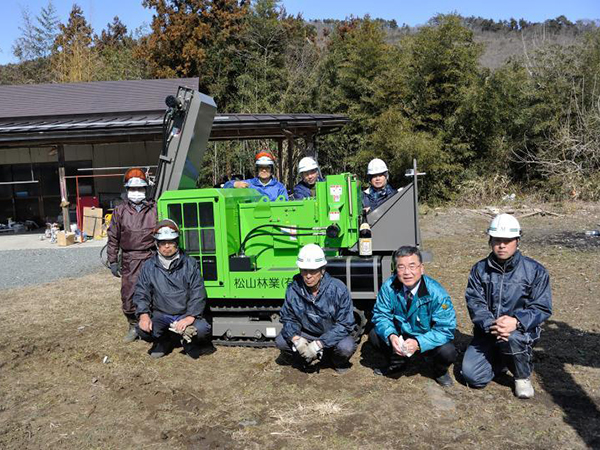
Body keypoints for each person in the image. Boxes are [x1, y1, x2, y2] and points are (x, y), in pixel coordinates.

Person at [462, 214, 552, 399]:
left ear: (517, 241)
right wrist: (491, 325)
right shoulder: (479, 269)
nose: (502, 245)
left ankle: (522, 376)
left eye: (507, 241)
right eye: (497, 240)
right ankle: (502, 359)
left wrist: (516, 322)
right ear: (490, 241)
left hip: (519, 332)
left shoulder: (535, 271)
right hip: (488, 332)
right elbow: (474, 301)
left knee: (511, 339)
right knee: (472, 377)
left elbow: (542, 307)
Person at [369, 245, 457, 386]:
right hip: (400, 335)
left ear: (421, 268)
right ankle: (398, 362)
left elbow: (445, 328)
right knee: (375, 335)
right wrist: (391, 336)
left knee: (448, 351)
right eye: (401, 267)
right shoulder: (388, 287)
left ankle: (439, 370)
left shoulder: (437, 293)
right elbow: (380, 315)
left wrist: (419, 343)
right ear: (395, 269)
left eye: (412, 266)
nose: (407, 272)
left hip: (426, 337)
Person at [133, 219, 212, 359]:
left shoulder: (190, 264)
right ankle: (163, 342)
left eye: (170, 242)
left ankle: (189, 343)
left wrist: (189, 317)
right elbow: (141, 292)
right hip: (161, 314)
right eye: (163, 243)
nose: (167, 246)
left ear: (177, 243)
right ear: (157, 245)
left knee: (202, 329)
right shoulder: (149, 266)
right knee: (142, 328)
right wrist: (144, 315)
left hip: (184, 313)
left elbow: (197, 292)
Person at [276, 244, 357, 373]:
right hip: (305, 333)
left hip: (330, 332)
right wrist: (297, 340)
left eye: (313, 271)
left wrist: (320, 343)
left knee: (346, 346)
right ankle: (301, 358)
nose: (308, 276)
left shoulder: (338, 289)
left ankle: (336, 361)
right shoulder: (293, 289)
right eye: (304, 270)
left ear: (322, 270)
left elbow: (345, 324)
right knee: (281, 341)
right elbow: (288, 317)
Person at [107, 168, 157, 343]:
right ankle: (133, 325)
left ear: (146, 189)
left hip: (151, 257)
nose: (136, 192)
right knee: (128, 293)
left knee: (155, 291)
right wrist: (112, 260)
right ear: (127, 190)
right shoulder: (120, 211)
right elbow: (113, 236)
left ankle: (153, 326)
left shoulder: (154, 209)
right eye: (133, 189)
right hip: (129, 258)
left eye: (140, 189)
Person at [223, 151, 288, 201]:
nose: (264, 170)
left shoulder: (279, 187)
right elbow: (225, 187)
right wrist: (234, 184)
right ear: (257, 169)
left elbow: (284, 207)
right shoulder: (249, 184)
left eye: (267, 168)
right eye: (261, 167)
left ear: (272, 170)